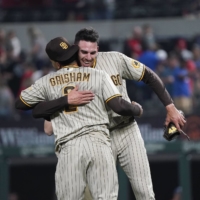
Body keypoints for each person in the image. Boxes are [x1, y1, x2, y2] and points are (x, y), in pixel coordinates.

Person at [32, 27, 185, 200]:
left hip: (127, 131)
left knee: (145, 192)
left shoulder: (114, 59)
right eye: (83, 52)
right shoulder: (66, 74)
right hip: (98, 138)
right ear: (75, 49)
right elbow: (48, 127)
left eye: (92, 52)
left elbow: (148, 75)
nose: (88, 57)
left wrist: (170, 107)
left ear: (97, 49)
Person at [15, 36, 143, 200]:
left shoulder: (48, 82)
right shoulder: (98, 75)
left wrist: (64, 100)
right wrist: (137, 109)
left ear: (55, 63)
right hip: (99, 144)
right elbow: (119, 107)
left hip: (70, 147)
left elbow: (21, 105)